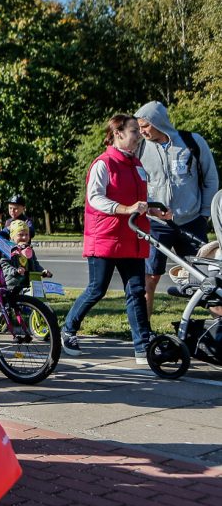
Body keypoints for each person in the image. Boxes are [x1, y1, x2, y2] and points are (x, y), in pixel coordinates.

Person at [60, 114, 155, 362]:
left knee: (136, 290)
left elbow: (138, 202)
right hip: (106, 237)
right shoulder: (104, 163)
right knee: (97, 289)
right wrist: (126, 209)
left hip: (132, 238)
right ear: (118, 133)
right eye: (134, 131)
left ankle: (143, 347)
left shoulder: (136, 165)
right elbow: (96, 198)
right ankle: (68, 329)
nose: (139, 135)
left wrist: (153, 210)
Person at [135, 100, 219, 317]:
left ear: (158, 122)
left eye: (145, 126)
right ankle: (145, 334)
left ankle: (218, 328)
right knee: (149, 278)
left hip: (191, 221)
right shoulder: (140, 148)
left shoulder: (192, 142)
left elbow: (210, 179)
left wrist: (204, 213)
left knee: (206, 278)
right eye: (139, 126)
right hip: (156, 225)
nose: (141, 131)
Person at [1, 220, 52, 291]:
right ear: (12, 236)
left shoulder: (29, 249)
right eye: (20, 235)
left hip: (27, 284)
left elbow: (35, 264)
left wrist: (42, 271)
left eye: (26, 234)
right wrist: (15, 271)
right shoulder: (8, 249)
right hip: (12, 284)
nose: (24, 237)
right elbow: (4, 265)